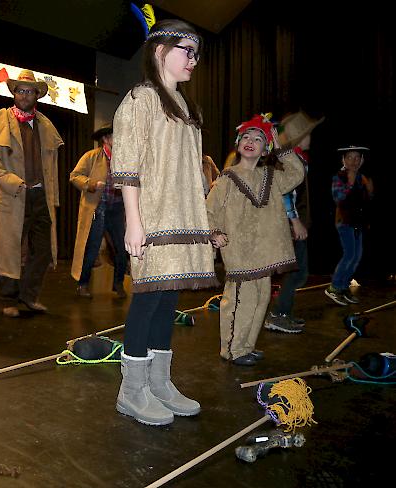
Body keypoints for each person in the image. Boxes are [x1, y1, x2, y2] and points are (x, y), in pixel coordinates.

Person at [111, 19, 219, 426]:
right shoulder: (139, 100)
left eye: (196, 53)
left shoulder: (187, 107)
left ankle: (159, 381)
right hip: (154, 218)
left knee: (170, 299)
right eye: (186, 50)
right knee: (148, 298)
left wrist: (205, 223)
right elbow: (127, 167)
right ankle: (131, 389)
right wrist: (133, 222)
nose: (193, 60)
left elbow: (191, 172)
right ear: (160, 51)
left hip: (184, 217)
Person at [206, 114, 305, 366]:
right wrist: (213, 232)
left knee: (260, 301)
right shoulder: (227, 178)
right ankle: (232, 349)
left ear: (265, 149)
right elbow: (209, 210)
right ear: (238, 143)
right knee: (240, 302)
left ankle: (246, 345)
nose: (251, 141)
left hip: (265, 253)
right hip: (240, 253)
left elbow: (296, 174)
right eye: (246, 137)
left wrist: (281, 146)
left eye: (259, 138)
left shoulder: (271, 177)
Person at [0, 70, 63, 318]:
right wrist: (11, 182)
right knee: (8, 247)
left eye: (29, 91)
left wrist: (53, 197)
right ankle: (7, 299)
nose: (24, 95)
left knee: (43, 249)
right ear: (14, 93)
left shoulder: (45, 125)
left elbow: (52, 165)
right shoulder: (1, 118)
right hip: (12, 194)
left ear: (37, 95)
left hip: (40, 196)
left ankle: (29, 295)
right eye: (20, 91)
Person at [264, 111, 323, 333]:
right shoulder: (291, 161)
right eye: (308, 133)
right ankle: (279, 314)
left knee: (298, 270)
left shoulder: (299, 159)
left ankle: (283, 312)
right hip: (289, 224)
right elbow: (285, 192)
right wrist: (295, 221)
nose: (311, 137)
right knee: (297, 271)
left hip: (295, 223)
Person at [70, 125, 127, 299]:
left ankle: (118, 283)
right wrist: (91, 184)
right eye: (115, 136)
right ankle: (83, 284)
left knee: (122, 248)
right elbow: (75, 176)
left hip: (117, 208)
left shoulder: (124, 159)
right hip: (98, 207)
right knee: (92, 248)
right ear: (106, 139)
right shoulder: (92, 156)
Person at [324, 146, 373, 305]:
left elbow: (365, 202)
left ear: (362, 160)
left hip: (358, 223)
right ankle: (334, 287)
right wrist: (350, 183)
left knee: (357, 257)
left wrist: (370, 191)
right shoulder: (339, 177)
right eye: (350, 157)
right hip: (345, 222)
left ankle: (343, 287)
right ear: (343, 159)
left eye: (357, 157)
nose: (354, 161)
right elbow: (338, 198)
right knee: (349, 254)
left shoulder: (362, 177)